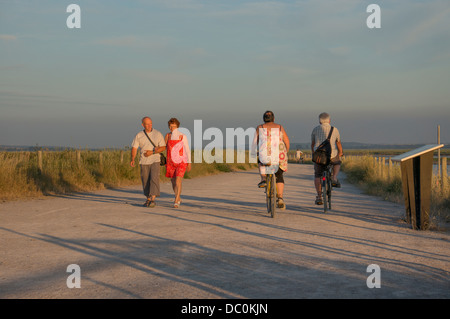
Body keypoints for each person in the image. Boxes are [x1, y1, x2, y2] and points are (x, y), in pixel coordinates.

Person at [255, 110, 290, 209]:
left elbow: (255, 142)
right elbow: (286, 140)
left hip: (265, 154)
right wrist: (285, 152)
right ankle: (280, 198)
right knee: (279, 175)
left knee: (261, 162)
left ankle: (263, 179)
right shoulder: (279, 127)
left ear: (264, 119)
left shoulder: (260, 127)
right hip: (279, 155)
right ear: (273, 119)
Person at [130, 116, 166, 207]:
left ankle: (153, 200)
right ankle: (148, 199)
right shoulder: (139, 135)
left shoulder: (157, 134)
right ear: (143, 125)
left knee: (154, 178)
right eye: (147, 124)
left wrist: (152, 152)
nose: (150, 125)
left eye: (151, 123)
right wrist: (133, 159)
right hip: (143, 161)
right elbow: (134, 148)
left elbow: (163, 147)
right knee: (145, 180)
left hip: (155, 159)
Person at [311, 112, 343, 205]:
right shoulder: (335, 129)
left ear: (320, 121)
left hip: (319, 156)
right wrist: (340, 152)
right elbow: (338, 143)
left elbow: (312, 144)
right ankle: (334, 177)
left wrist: (313, 154)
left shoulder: (315, 129)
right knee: (337, 162)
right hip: (331, 155)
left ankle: (319, 196)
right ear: (329, 120)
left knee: (317, 175)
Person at [164, 118, 191, 208]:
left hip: (181, 161)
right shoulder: (167, 136)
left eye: (174, 126)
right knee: (173, 182)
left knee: (178, 180)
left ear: (177, 126)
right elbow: (164, 147)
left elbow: (187, 150)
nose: (172, 128)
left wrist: (189, 163)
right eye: (170, 126)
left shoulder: (182, 136)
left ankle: (176, 200)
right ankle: (177, 196)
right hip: (170, 162)